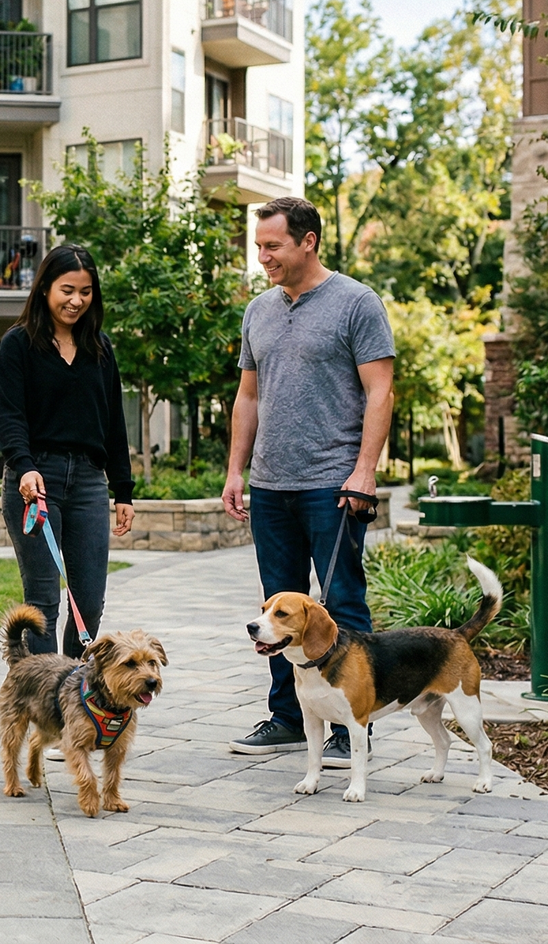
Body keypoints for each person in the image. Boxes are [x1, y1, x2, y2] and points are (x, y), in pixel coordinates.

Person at [223, 197, 396, 768]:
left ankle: (353, 726)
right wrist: (235, 470)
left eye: (272, 246)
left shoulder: (356, 303)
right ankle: (289, 718)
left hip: (334, 483)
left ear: (308, 241)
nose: (263, 256)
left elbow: (380, 392)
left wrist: (364, 470)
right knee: (277, 612)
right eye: (259, 247)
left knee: (342, 601)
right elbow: (248, 396)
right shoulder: (258, 310)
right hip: (272, 486)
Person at [0, 245, 136, 658]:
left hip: (90, 483)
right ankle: (41, 701)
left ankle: (74, 698)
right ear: (44, 290)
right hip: (35, 481)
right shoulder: (18, 345)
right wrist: (23, 467)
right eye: (67, 290)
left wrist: (123, 490)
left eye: (86, 291)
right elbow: (10, 416)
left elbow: (114, 423)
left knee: (88, 604)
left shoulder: (100, 348)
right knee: (44, 602)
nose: (77, 300)